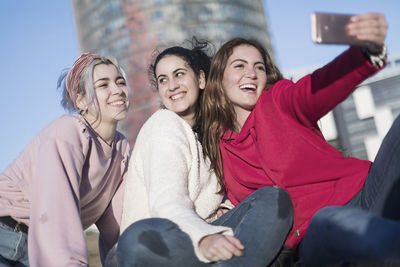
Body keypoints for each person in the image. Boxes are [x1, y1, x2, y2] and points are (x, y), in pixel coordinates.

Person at [202, 12, 399, 266]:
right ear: (219, 78)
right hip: (317, 232)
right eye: (239, 66)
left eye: (259, 67)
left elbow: (314, 89)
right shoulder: (218, 147)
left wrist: (366, 53)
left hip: (367, 191)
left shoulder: (278, 100)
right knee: (336, 221)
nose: (251, 73)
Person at [116, 39, 293, 267]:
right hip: (160, 247)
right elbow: (167, 204)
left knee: (272, 197)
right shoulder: (163, 125)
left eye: (179, 74)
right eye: (163, 80)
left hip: (201, 245)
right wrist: (204, 236)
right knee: (140, 235)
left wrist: (225, 209)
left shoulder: (208, 133)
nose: (172, 86)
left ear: (201, 79)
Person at [0, 53, 131, 266]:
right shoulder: (69, 130)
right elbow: (55, 210)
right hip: (6, 234)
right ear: (80, 100)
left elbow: (118, 225)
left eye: (120, 82)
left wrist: (126, 257)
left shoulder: (121, 148)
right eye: (103, 85)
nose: (117, 90)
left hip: (37, 245)